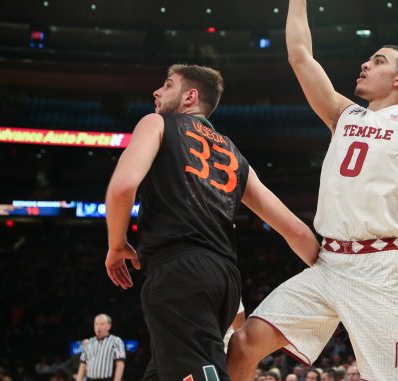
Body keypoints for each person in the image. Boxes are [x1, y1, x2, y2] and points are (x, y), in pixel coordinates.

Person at [227, 0, 398, 380]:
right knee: (244, 344)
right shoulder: (343, 114)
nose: (365, 64)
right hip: (327, 263)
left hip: (377, 268)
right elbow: (300, 56)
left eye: (378, 61)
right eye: (368, 60)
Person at [104, 64, 319, 381]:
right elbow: (296, 230)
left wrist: (117, 244)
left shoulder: (157, 123)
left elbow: (122, 188)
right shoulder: (233, 154)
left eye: (167, 85)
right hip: (225, 281)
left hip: (180, 271)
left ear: (190, 96)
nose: (157, 92)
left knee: (198, 372)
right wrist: (334, 270)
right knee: (162, 373)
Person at [75, 314, 125, 381]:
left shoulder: (116, 341)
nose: (98, 327)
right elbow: (83, 364)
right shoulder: (89, 342)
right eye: (96, 324)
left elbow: (120, 364)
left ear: (109, 326)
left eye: (102, 324)